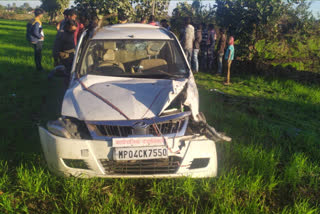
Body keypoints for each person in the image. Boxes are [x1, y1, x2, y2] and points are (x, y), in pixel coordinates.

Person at [53, 20, 78, 86]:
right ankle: (66, 85)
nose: (74, 31)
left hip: (71, 54)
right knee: (67, 72)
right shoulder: (61, 35)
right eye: (72, 29)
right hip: (65, 55)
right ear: (67, 27)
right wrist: (55, 59)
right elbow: (56, 47)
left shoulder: (71, 33)